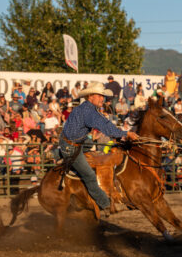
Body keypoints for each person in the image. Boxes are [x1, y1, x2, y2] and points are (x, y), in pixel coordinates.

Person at [59, 82, 139, 216]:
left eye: (103, 96)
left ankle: (57, 153)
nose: (103, 98)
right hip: (71, 146)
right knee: (89, 175)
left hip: (74, 139)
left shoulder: (85, 108)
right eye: (100, 96)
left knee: (91, 144)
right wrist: (126, 133)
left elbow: (103, 124)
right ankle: (106, 204)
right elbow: (105, 125)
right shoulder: (89, 112)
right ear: (91, 97)